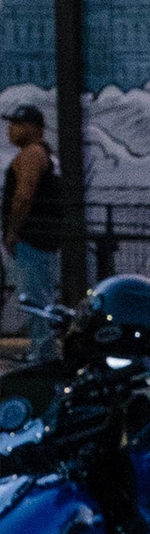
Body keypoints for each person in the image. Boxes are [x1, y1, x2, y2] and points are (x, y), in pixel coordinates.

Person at [3, 102, 61, 362]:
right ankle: (42, 351)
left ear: (34, 128)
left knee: (35, 299)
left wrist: (13, 231)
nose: (11, 129)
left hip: (32, 239)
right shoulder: (40, 153)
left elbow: (23, 195)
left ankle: (43, 356)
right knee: (39, 297)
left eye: (17, 124)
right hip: (41, 239)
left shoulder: (31, 154)